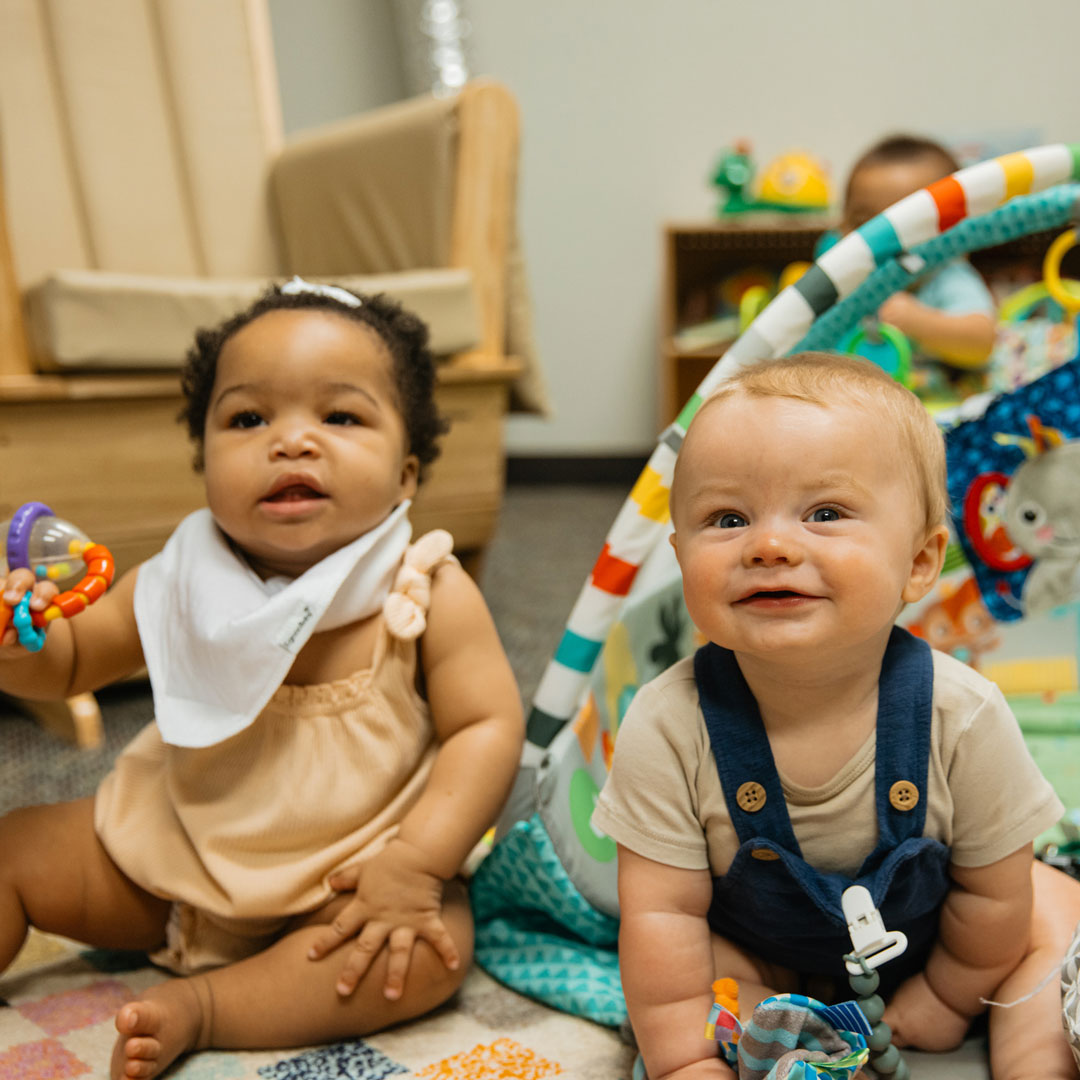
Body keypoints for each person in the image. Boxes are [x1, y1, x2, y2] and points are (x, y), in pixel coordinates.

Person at [0, 279, 525, 1080]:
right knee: (15, 847)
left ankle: (208, 1009)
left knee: (431, 950)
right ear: (203, 460)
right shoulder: (181, 578)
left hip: (342, 888)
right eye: (248, 419)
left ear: (407, 473)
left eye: (340, 416)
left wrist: (418, 863)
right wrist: (19, 648)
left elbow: (487, 728)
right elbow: (72, 660)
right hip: (166, 867)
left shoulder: (424, 590)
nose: (292, 441)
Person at [592, 352, 1080, 1079]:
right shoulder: (668, 723)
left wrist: (949, 995)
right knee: (687, 970)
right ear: (681, 554)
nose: (770, 545)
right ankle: (784, 1040)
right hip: (763, 951)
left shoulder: (963, 713)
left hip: (950, 945)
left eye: (825, 514)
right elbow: (663, 914)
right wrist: (681, 1061)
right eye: (727, 519)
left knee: (1050, 919)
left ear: (919, 562)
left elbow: (991, 894)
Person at [840, 134, 997, 406]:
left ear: (951, 230)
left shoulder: (947, 277)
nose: (880, 240)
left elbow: (981, 342)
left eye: (907, 226)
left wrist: (918, 321)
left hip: (937, 404)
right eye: (864, 222)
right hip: (863, 403)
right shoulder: (847, 281)